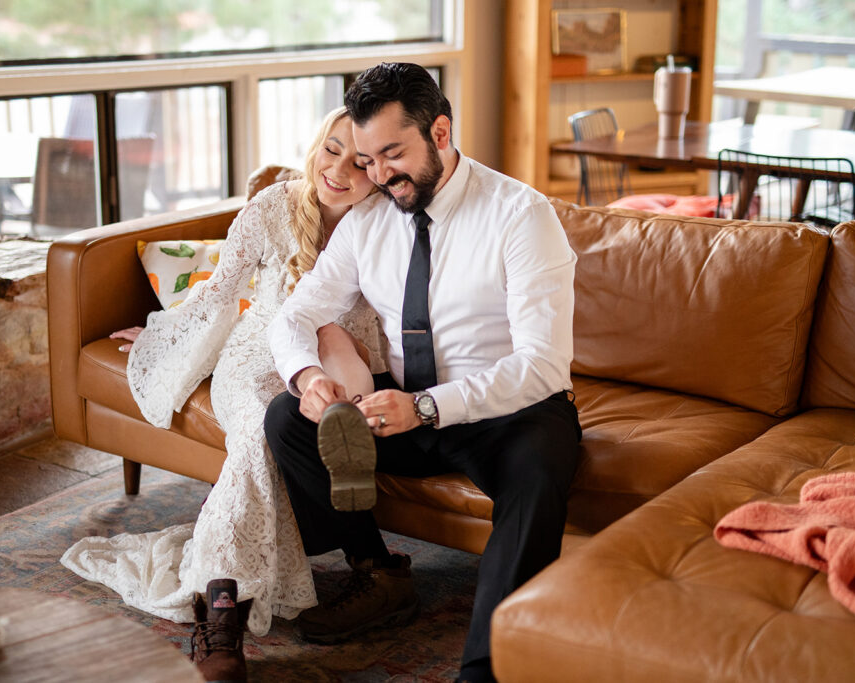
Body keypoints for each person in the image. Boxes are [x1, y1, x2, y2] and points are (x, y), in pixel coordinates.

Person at [264, 63, 583, 683]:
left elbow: (542, 364)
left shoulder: (521, 216)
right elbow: (295, 315)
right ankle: (377, 574)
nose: (378, 175)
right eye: (367, 159)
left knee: (541, 470)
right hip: (406, 405)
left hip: (508, 412)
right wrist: (306, 379)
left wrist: (429, 407)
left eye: (392, 153)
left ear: (440, 132)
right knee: (286, 419)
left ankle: (487, 668)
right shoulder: (367, 222)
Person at [60, 107, 384, 679]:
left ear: (378, 170)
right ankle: (222, 614)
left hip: (340, 355)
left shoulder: (383, 219)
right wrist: (162, 332)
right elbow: (219, 292)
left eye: (359, 163)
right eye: (331, 149)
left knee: (293, 411)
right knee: (261, 432)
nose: (339, 170)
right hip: (256, 353)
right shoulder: (272, 207)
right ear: (317, 146)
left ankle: (221, 605)